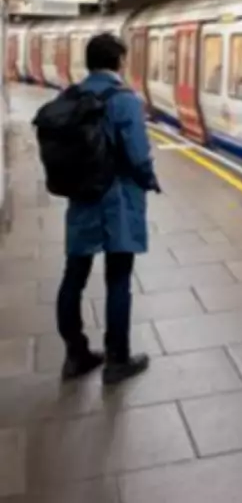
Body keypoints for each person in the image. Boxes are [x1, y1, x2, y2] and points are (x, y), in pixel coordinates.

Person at [56, 33, 160, 384]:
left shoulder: (72, 95)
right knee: (118, 279)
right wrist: (149, 179)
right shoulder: (125, 100)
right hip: (117, 202)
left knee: (74, 277)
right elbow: (137, 156)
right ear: (119, 61)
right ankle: (117, 360)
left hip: (82, 199)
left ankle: (75, 355)